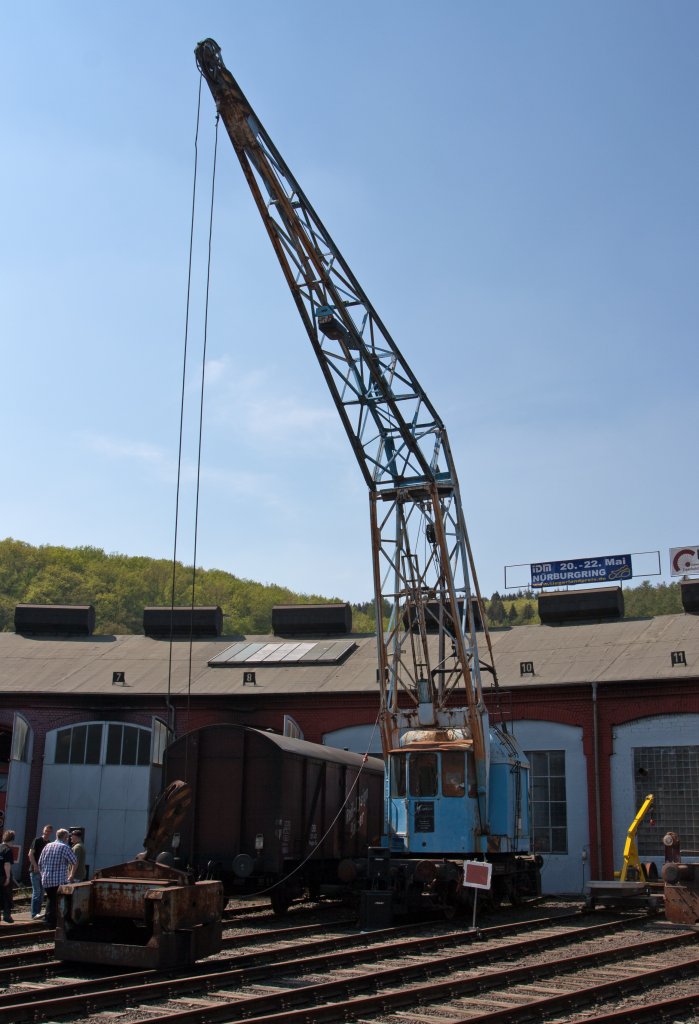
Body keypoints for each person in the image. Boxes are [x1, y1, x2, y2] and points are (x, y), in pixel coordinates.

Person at [38, 828, 76, 927]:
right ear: (64, 837)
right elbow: (74, 862)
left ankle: (48, 920)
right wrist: (71, 874)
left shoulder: (47, 846)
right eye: (67, 837)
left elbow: (40, 863)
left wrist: (43, 874)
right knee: (60, 900)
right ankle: (56, 922)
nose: (68, 839)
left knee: (51, 899)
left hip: (46, 879)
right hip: (59, 880)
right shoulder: (65, 847)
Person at [28, 824, 54, 919]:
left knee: (42, 892)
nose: (47, 833)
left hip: (44, 871)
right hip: (35, 870)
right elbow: (30, 854)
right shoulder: (37, 840)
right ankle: (34, 913)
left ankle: (37, 913)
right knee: (37, 892)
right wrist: (35, 865)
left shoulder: (49, 843)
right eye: (46, 831)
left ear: (51, 832)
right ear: (43, 831)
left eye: (49, 831)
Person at [0, 829, 16, 923]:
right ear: (12, 839)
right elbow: (7, 864)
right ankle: (7, 916)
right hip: (3, 876)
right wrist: (8, 877)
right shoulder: (8, 850)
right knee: (7, 896)